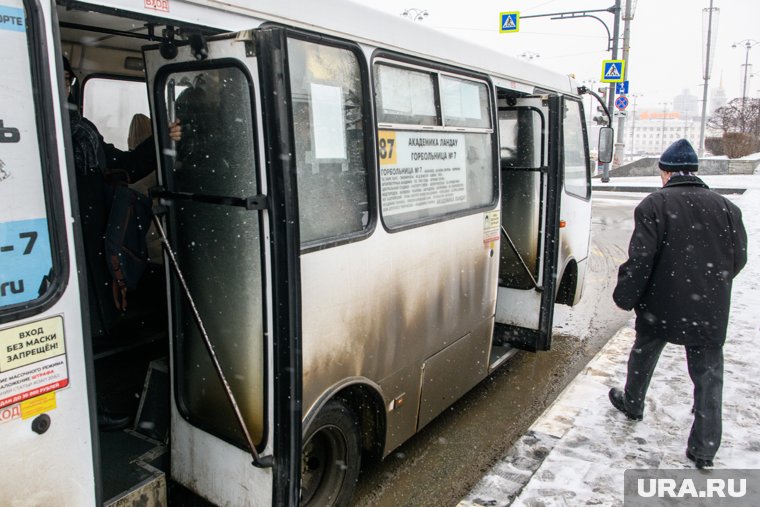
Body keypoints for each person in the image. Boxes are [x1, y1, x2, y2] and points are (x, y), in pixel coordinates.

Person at [608, 139, 747, 469]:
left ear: (665, 173)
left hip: (661, 302)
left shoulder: (654, 205)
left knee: (643, 352)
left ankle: (633, 402)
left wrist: (625, 296)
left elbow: (641, 259)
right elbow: (737, 258)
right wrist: (711, 285)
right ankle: (704, 447)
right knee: (708, 377)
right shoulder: (727, 207)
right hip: (707, 309)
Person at [64, 56, 180, 429]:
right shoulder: (43, 128)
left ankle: (87, 406)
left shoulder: (83, 132)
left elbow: (123, 165)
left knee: (87, 325)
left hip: (91, 238)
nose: (66, 83)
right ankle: (83, 411)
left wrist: (161, 138)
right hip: (68, 241)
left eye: (68, 76)